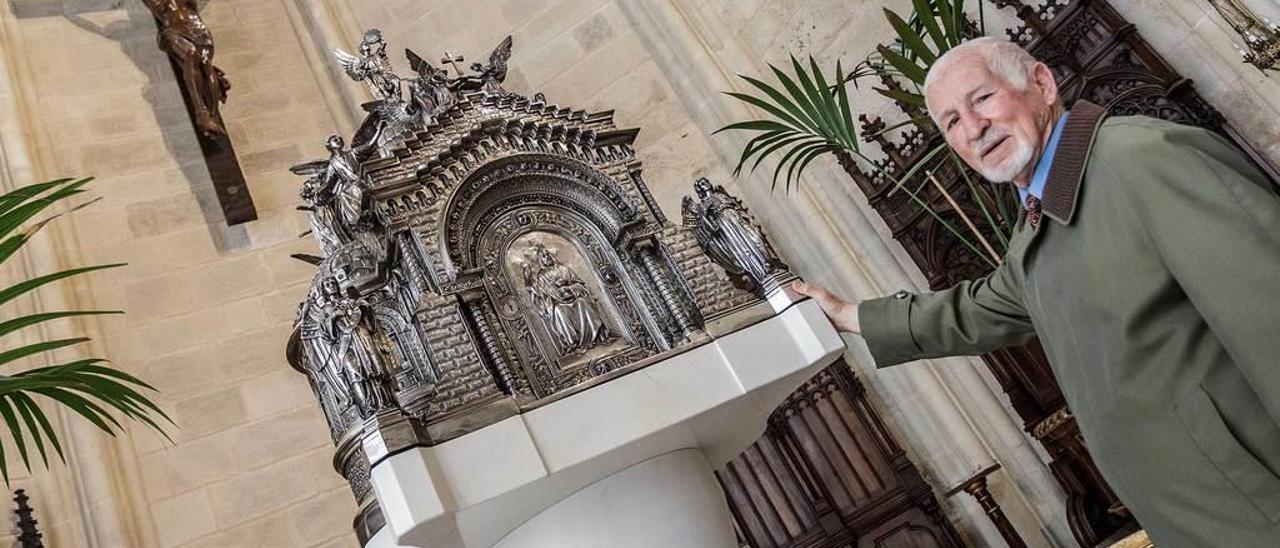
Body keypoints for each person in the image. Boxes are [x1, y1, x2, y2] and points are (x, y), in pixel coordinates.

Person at [793, 37, 1280, 546]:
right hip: (1197, 514)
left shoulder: (1142, 158)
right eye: (952, 122)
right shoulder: (1037, 221)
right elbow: (977, 310)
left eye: (981, 99)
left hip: (1253, 507)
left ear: (1042, 85)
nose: (974, 128)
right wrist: (848, 315)